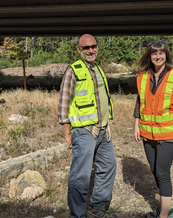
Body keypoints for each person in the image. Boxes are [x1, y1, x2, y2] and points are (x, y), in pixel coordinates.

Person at [58, 34, 117, 218]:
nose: (91, 50)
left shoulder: (97, 69)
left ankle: (98, 208)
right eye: (86, 48)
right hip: (84, 132)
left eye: (93, 46)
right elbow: (63, 103)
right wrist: (68, 132)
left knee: (108, 166)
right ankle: (78, 214)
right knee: (80, 176)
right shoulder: (73, 70)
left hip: (102, 130)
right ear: (79, 49)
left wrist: (106, 125)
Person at [133, 41, 173, 218]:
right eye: (154, 54)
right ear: (149, 57)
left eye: (161, 53)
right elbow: (139, 102)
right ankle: (166, 209)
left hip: (169, 134)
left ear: (166, 55)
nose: (158, 57)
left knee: (162, 172)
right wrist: (136, 125)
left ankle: (165, 214)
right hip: (147, 133)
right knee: (154, 170)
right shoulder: (143, 77)